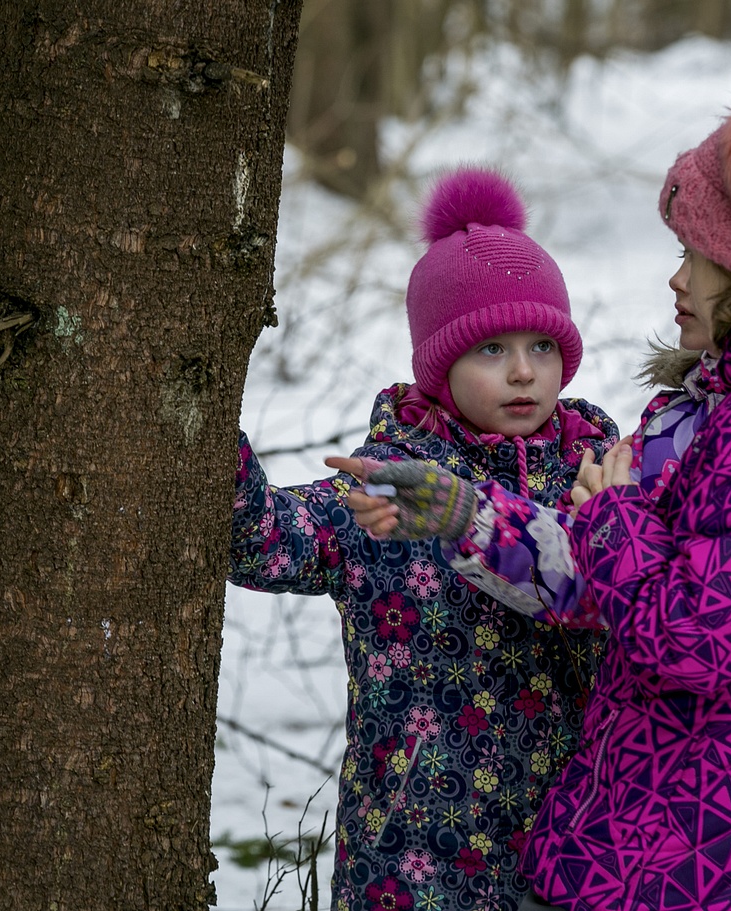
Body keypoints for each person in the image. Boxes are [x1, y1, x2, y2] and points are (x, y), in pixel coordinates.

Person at [343, 80, 731, 910]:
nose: (675, 276)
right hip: (646, 810)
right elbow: (611, 574)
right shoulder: (690, 419)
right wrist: (472, 514)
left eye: (695, 253)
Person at [228, 167, 618, 911]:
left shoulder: (599, 478)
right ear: (438, 363)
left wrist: (621, 516)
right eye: (492, 349)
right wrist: (205, 424)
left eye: (542, 344)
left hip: (573, 850)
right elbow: (266, 538)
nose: (525, 372)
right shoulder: (394, 485)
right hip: (414, 855)